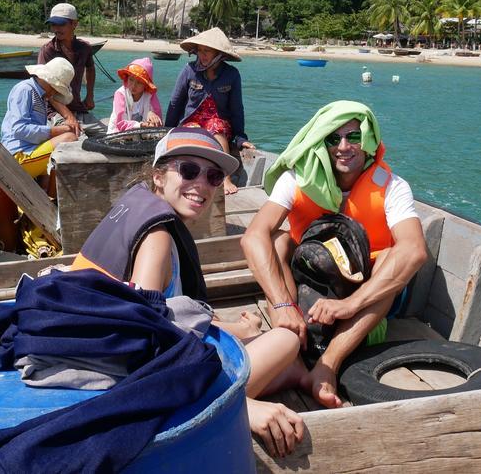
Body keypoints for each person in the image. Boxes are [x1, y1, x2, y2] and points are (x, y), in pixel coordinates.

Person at [69, 127, 305, 457]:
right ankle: (253, 389)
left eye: (212, 176)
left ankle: (293, 374)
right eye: (189, 170)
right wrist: (237, 406)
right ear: (159, 176)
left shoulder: (139, 209)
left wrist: (240, 329)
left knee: (280, 353)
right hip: (119, 378)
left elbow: (164, 314)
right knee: (286, 340)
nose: (202, 185)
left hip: (96, 347)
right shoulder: (157, 239)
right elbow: (142, 342)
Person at [240, 100, 428, 409]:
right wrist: (283, 304)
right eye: (333, 138)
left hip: (365, 295)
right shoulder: (297, 179)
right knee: (276, 240)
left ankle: (327, 363)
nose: (343, 146)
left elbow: (414, 250)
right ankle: (288, 338)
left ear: (367, 142)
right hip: (306, 280)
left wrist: (349, 304)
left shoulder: (393, 187)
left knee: (391, 259)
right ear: (321, 143)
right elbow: (253, 237)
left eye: (353, 137)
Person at [165, 27, 253, 195]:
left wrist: (241, 138)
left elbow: (237, 108)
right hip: (193, 121)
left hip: (218, 120)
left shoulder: (232, 74)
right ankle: (188, 177)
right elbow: (175, 103)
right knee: (192, 132)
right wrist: (167, 130)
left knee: (216, 129)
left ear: (219, 54)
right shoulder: (189, 70)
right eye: (200, 51)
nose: (202, 55)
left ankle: (225, 178)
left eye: (207, 51)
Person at [0, 57, 79, 181]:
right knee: (69, 138)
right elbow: (19, 129)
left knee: (55, 167)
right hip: (17, 156)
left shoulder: (39, 96)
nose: (54, 93)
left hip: (28, 153)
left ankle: (50, 198)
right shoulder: (25, 90)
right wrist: (60, 130)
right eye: (56, 88)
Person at [37, 2, 106, 137]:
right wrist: (69, 117)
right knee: (74, 137)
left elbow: (90, 68)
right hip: (54, 111)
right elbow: (45, 89)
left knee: (108, 135)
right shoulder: (47, 50)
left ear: (74, 24)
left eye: (61, 24)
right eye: (53, 24)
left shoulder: (84, 48)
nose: (56, 29)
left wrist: (90, 96)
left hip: (78, 107)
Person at [108, 57, 163, 132]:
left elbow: (159, 123)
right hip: (118, 135)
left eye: (139, 82)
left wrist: (152, 114)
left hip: (140, 136)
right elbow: (120, 123)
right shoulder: (121, 94)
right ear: (127, 78)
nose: (133, 86)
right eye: (131, 79)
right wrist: (140, 125)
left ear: (146, 84)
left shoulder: (150, 95)